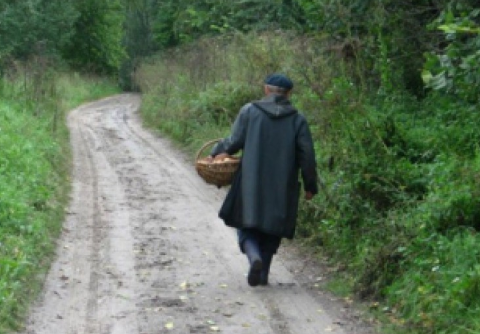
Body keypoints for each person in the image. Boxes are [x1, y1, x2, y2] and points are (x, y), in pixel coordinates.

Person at [209, 74, 318, 287]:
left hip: (250, 181)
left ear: (266, 90)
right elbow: (307, 156)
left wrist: (216, 153)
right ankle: (263, 273)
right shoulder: (298, 120)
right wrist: (310, 185)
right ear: (289, 94)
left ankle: (253, 258)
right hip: (282, 184)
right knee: (273, 228)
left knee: (246, 223)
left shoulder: (250, 111)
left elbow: (234, 141)